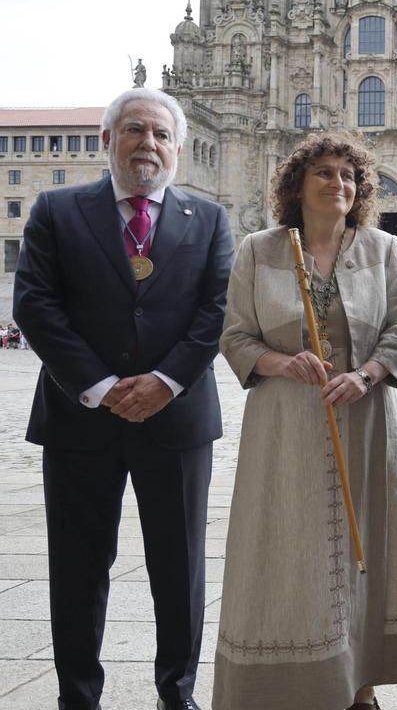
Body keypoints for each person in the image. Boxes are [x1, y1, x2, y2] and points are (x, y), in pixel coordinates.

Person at [12, 87, 233, 710]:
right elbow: (35, 304)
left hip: (177, 416)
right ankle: (78, 697)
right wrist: (103, 387)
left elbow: (216, 311)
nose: (149, 144)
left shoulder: (209, 219)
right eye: (135, 130)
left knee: (180, 567)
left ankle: (177, 694)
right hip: (80, 418)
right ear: (108, 140)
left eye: (162, 135)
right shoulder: (57, 210)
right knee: (79, 567)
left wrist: (166, 380)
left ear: (180, 150)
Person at [213, 133, 397, 710]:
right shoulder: (259, 249)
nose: (339, 184)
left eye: (349, 176)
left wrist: (367, 374)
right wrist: (282, 360)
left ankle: (361, 681)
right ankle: (290, 680)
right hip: (284, 423)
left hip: (365, 414)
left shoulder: (384, 250)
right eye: (325, 173)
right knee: (287, 545)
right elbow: (234, 336)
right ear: (297, 186)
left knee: (366, 547)